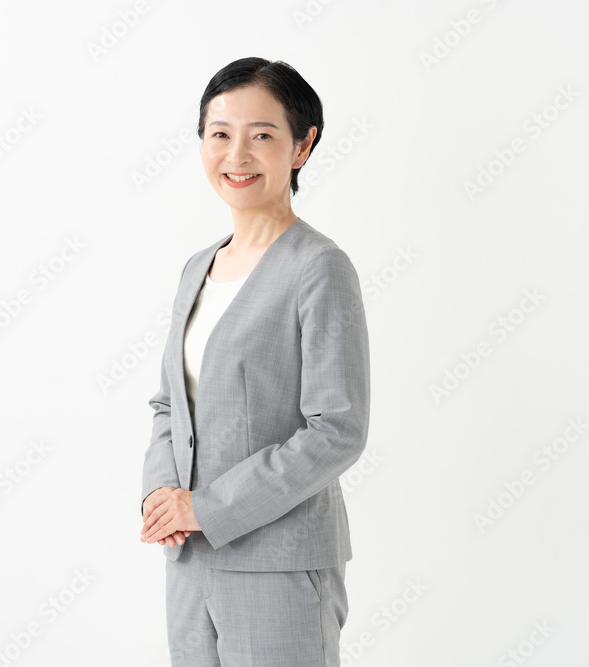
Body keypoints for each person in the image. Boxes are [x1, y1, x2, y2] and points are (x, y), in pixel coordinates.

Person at [139, 56, 371, 667]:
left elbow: (337, 430)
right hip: (190, 562)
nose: (236, 155)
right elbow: (168, 402)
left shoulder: (318, 267)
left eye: (262, 135)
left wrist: (206, 507)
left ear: (302, 146)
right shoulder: (198, 268)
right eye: (220, 134)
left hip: (280, 567)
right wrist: (161, 494)